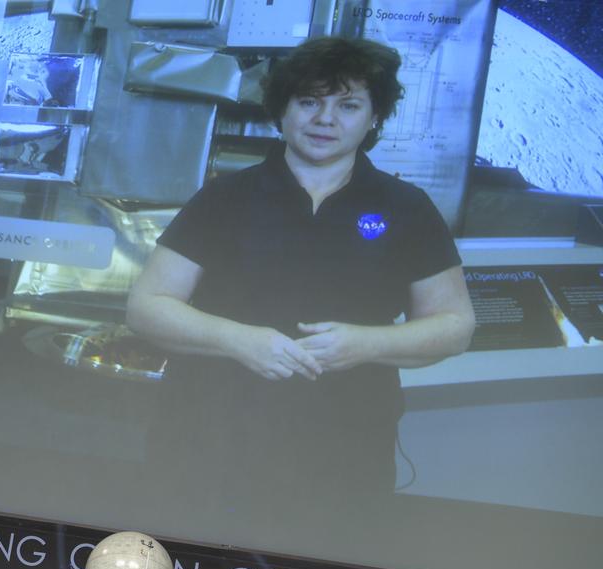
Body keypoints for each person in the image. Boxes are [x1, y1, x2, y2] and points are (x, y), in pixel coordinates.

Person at [126, 38, 475, 527]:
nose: (325, 119)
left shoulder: (407, 208)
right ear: (282, 111)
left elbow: (455, 324)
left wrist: (367, 344)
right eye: (309, 101)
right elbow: (147, 304)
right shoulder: (224, 198)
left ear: (374, 117)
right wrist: (238, 340)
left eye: (348, 105)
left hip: (345, 446)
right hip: (210, 439)